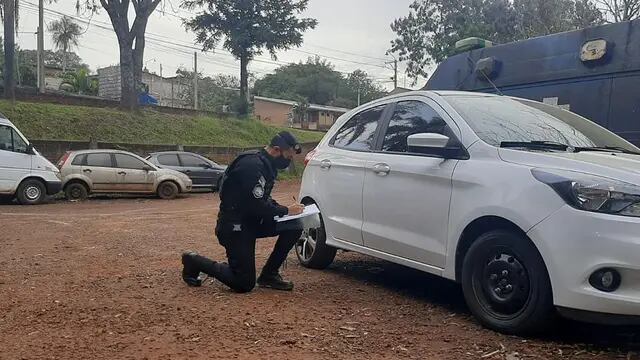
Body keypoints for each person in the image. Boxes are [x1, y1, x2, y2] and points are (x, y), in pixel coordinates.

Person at [181, 131, 305, 292]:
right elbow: (255, 205)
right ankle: (193, 261)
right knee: (243, 283)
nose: (289, 161)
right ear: (276, 150)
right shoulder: (251, 166)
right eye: (288, 157)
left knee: (294, 225)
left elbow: (262, 198)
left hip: (252, 221)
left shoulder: (266, 165)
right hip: (235, 226)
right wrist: (286, 209)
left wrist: (285, 210)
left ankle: (269, 275)